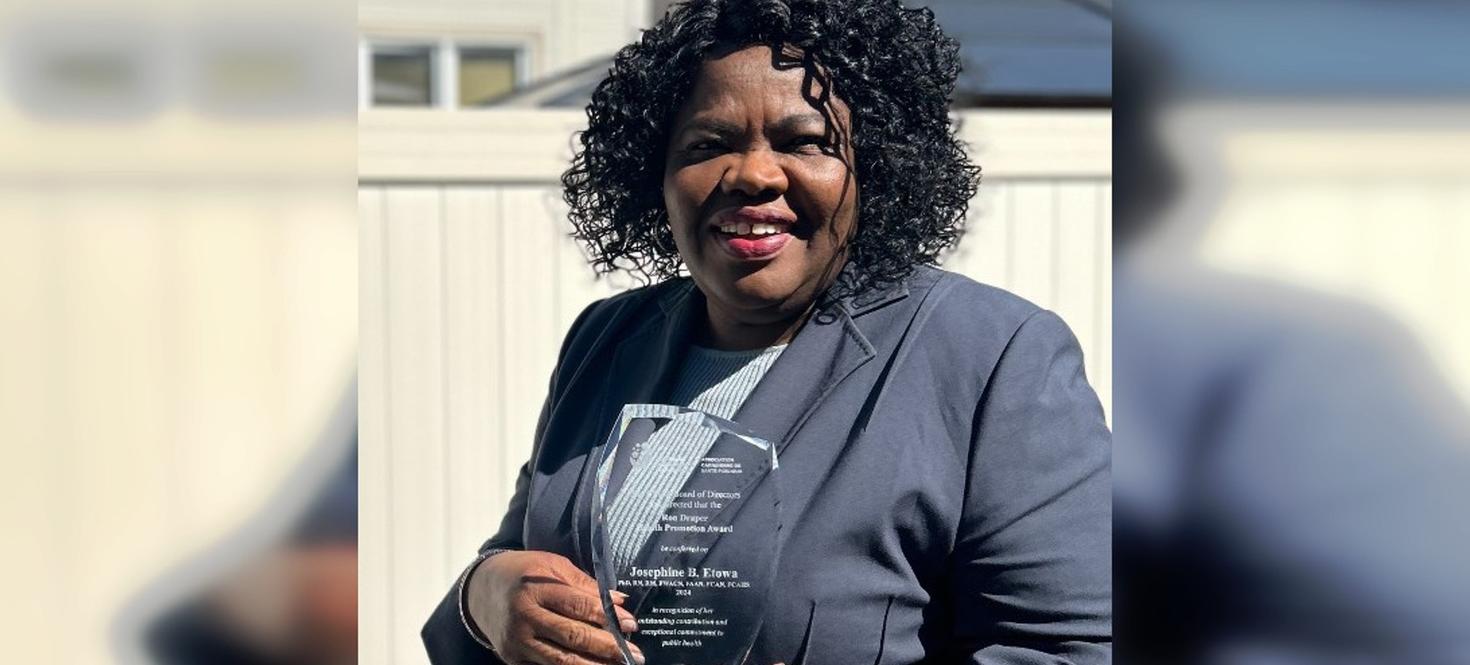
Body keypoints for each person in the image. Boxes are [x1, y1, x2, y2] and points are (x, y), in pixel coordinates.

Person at [422, 1, 1110, 663]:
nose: (752, 173)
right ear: (654, 174)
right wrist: (485, 599)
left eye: (803, 142)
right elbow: (517, 556)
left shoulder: (992, 357)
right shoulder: (607, 340)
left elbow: (1071, 648)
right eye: (709, 144)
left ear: (875, 167)